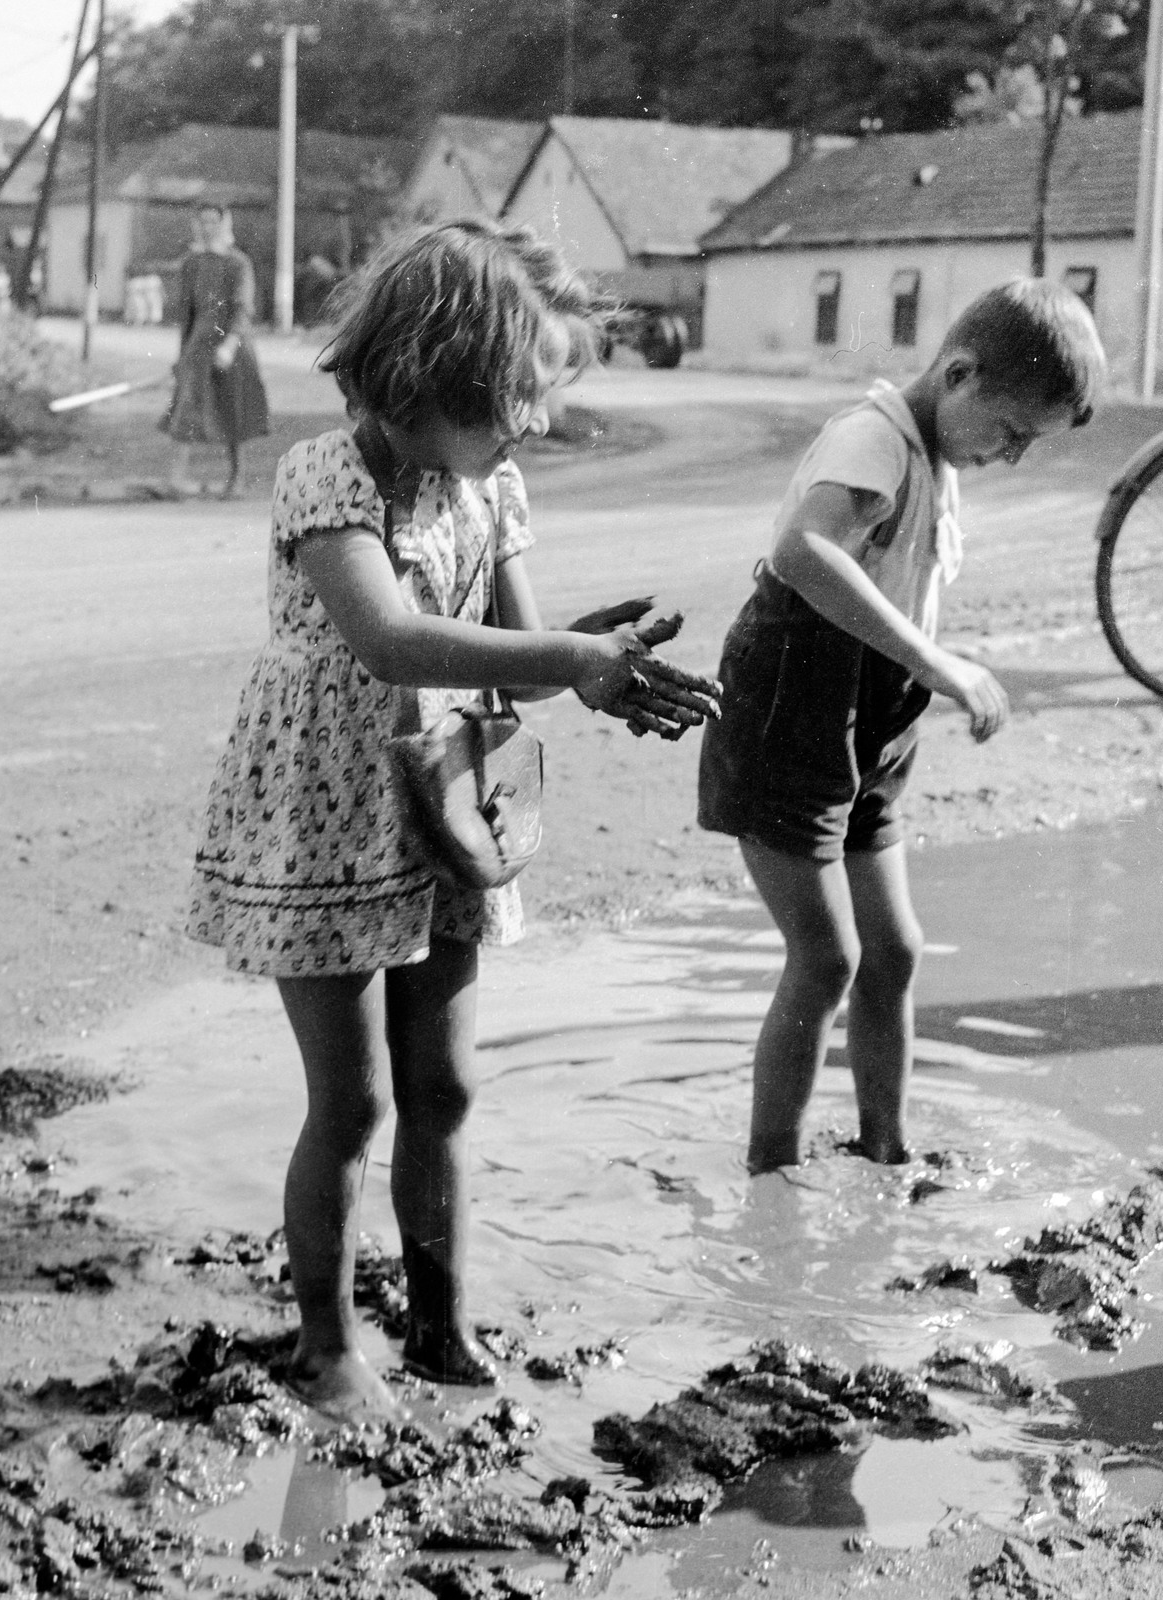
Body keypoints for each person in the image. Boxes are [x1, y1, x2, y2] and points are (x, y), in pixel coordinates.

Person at [184, 220, 721, 1419]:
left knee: (446, 1087)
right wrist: (566, 651)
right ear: (434, 375)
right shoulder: (325, 475)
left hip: (446, 804)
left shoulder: (493, 484)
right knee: (356, 1101)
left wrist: (596, 662)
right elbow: (389, 637)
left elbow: (521, 665)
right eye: (518, 396)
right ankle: (327, 1348)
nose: (535, 422)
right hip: (326, 814)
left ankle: (440, 1322)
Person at [697, 277, 1107, 1175]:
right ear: (957, 373)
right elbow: (802, 552)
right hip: (792, 704)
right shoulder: (871, 438)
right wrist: (937, 663)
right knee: (825, 956)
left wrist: (915, 676)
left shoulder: (940, 459)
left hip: (873, 714)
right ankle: (773, 1175)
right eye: (1008, 432)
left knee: (894, 948)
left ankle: (885, 1150)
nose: (1011, 457)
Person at [162, 204, 269, 499]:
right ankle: (176, 479)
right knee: (187, 406)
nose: (208, 227)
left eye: (214, 221)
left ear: (224, 225)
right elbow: (187, 314)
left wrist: (229, 345)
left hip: (230, 344)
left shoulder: (238, 263)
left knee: (232, 409)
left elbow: (242, 308)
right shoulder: (191, 263)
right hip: (199, 343)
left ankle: (237, 479)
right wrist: (181, 354)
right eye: (203, 221)